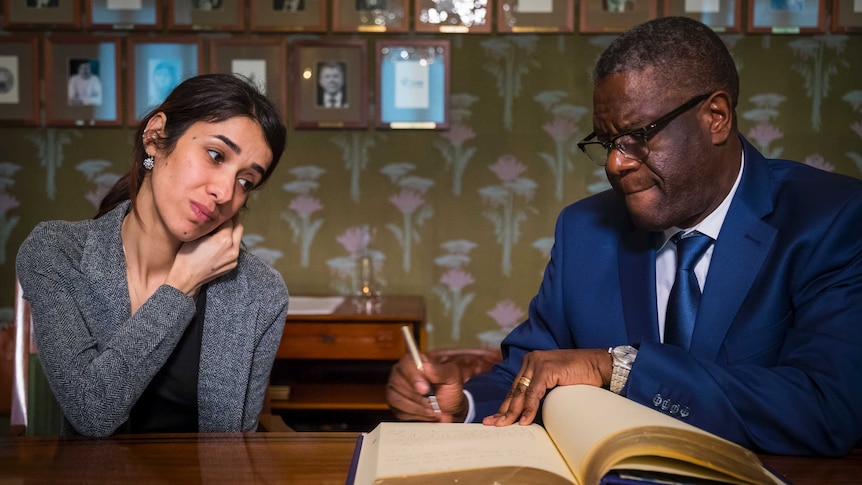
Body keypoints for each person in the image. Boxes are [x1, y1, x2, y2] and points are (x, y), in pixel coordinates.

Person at [385, 16, 862, 457]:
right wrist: (459, 403)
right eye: (607, 142)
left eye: (638, 136)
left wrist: (619, 368)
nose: (617, 162)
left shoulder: (832, 219)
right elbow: (530, 370)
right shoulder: (584, 230)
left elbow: (828, 409)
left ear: (716, 116)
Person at [16, 73, 289, 437]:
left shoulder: (260, 291)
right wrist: (181, 285)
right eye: (215, 155)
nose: (225, 191)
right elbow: (91, 412)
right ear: (156, 136)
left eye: (245, 182)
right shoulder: (56, 252)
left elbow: (234, 446)